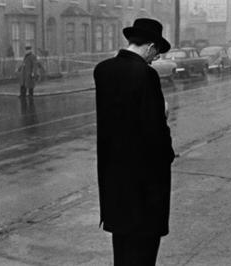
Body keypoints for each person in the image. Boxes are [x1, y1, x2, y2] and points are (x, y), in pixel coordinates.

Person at [93, 18, 175, 266]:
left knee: (123, 248)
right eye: (156, 53)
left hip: (114, 178)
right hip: (144, 185)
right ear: (150, 46)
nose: (155, 59)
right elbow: (153, 131)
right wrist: (163, 115)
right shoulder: (145, 74)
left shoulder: (103, 70)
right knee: (143, 252)